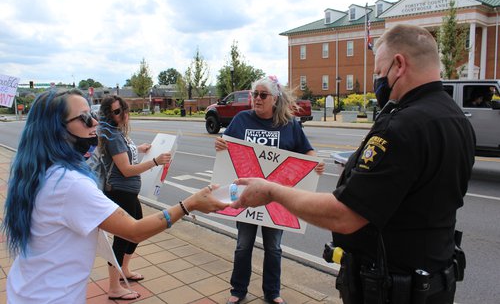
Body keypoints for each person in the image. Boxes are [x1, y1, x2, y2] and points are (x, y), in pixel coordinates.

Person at [231, 25, 476, 304]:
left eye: (378, 71)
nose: (377, 79)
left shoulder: (403, 126)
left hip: (392, 288)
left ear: (399, 65)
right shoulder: (458, 120)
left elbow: (344, 215)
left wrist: (273, 191)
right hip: (436, 282)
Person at [2, 89, 228, 303]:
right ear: (55, 129)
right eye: (84, 118)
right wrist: (190, 203)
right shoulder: (69, 184)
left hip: (27, 289)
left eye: (92, 114)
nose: (95, 123)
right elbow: (135, 231)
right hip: (51, 297)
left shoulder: (39, 169)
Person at [215, 76, 325, 304]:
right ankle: (238, 291)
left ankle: (272, 292)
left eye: (262, 95)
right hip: (246, 197)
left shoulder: (289, 124)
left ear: (274, 99)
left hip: (276, 200)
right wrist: (220, 144)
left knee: (273, 248)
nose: (257, 98)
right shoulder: (241, 120)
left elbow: (308, 152)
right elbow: (226, 149)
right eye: (254, 94)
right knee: (243, 245)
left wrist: (316, 163)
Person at [97, 95, 170, 299]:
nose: (123, 113)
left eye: (123, 109)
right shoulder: (113, 135)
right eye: (116, 111)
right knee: (123, 238)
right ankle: (114, 287)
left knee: (137, 233)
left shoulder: (116, 133)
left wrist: (138, 149)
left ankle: (124, 271)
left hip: (128, 193)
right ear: (109, 115)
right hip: (120, 193)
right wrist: (155, 161)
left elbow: (122, 155)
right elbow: (127, 170)